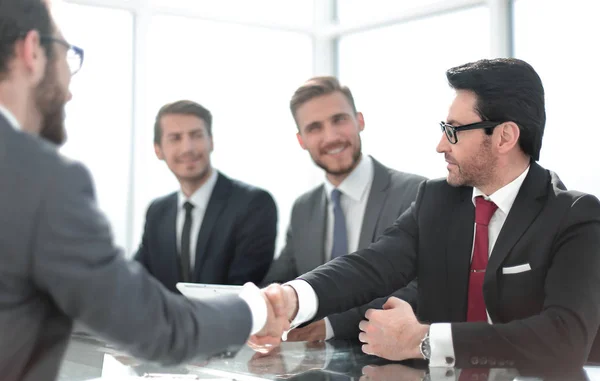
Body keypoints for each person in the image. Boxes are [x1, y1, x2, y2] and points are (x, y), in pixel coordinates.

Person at [250, 58, 600, 370]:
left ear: (505, 137)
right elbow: (371, 265)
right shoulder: (438, 200)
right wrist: (294, 299)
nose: (441, 145)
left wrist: (425, 340)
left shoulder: (574, 216)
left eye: (453, 131)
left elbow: (564, 340)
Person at [0, 1, 287, 380]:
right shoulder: (41, 179)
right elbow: (156, 325)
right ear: (31, 51)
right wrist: (257, 308)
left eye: (195, 136)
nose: (69, 90)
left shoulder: (252, 204)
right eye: (66, 57)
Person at [262, 76, 425, 342]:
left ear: (359, 120)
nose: (331, 136)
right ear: (301, 140)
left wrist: (332, 325)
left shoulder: (415, 192)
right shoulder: (304, 208)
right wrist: (256, 308)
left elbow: (421, 287)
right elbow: (280, 278)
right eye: (314, 128)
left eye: (339, 120)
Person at [134, 100, 277, 293]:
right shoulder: (157, 212)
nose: (188, 148)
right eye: (175, 138)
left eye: (196, 135)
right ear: (158, 150)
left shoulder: (253, 204)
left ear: (211, 141)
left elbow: (243, 291)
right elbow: (137, 279)